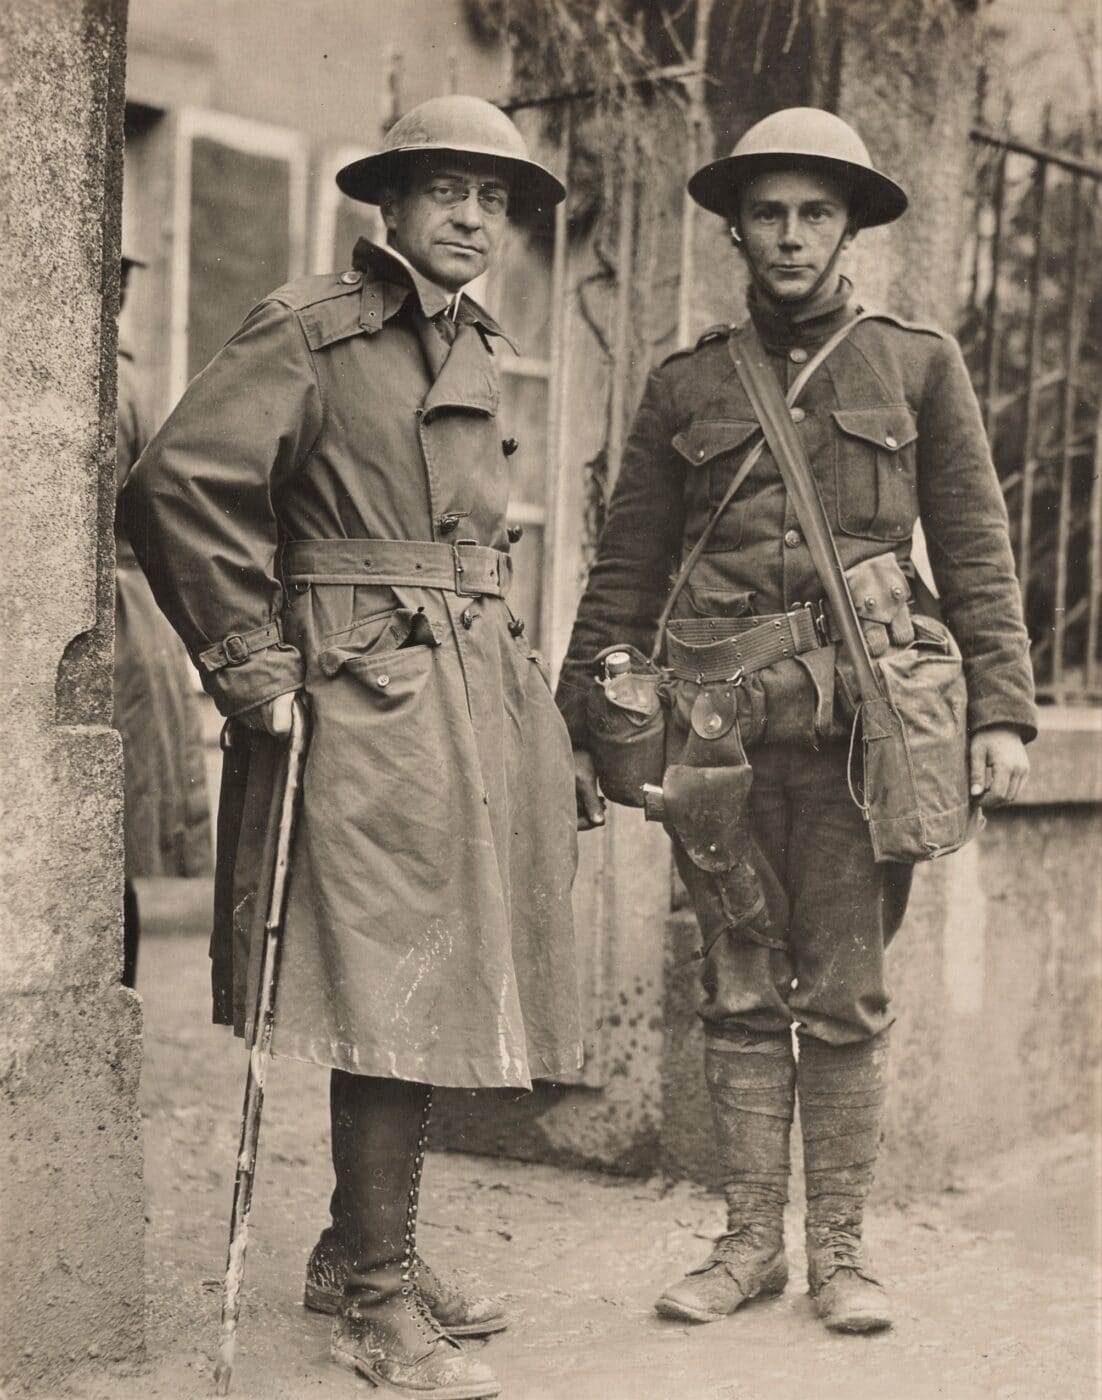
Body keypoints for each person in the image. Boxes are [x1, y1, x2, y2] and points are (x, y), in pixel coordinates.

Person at [121, 96, 581, 1399]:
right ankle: (375, 1302)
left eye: (490, 198)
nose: (469, 217)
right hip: (356, 693)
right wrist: (252, 666)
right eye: (443, 189)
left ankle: (357, 1247)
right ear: (386, 205)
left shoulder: (477, 342)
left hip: (464, 690)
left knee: (434, 972)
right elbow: (178, 484)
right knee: (389, 979)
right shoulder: (312, 329)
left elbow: (477, 546)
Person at [556, 108, 1034, 1335]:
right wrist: (600, 726)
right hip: (714, 735)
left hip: (858, 736)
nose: (789, 235)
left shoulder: (913, 363)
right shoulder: (686, 383)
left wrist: (1000, 711)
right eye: (767, 212)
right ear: (733, 228)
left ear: (850, 226)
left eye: (814, 211)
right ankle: (743, 1246)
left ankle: (840, 1255)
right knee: (733, 984)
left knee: (845, 993)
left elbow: (976, 547)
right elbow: (626, 571)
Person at [113, 251, 213, 989]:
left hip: (113, 624)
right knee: (110, 852)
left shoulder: (104, 380)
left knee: (98, 846)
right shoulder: (132, 380)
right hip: (136, 622)